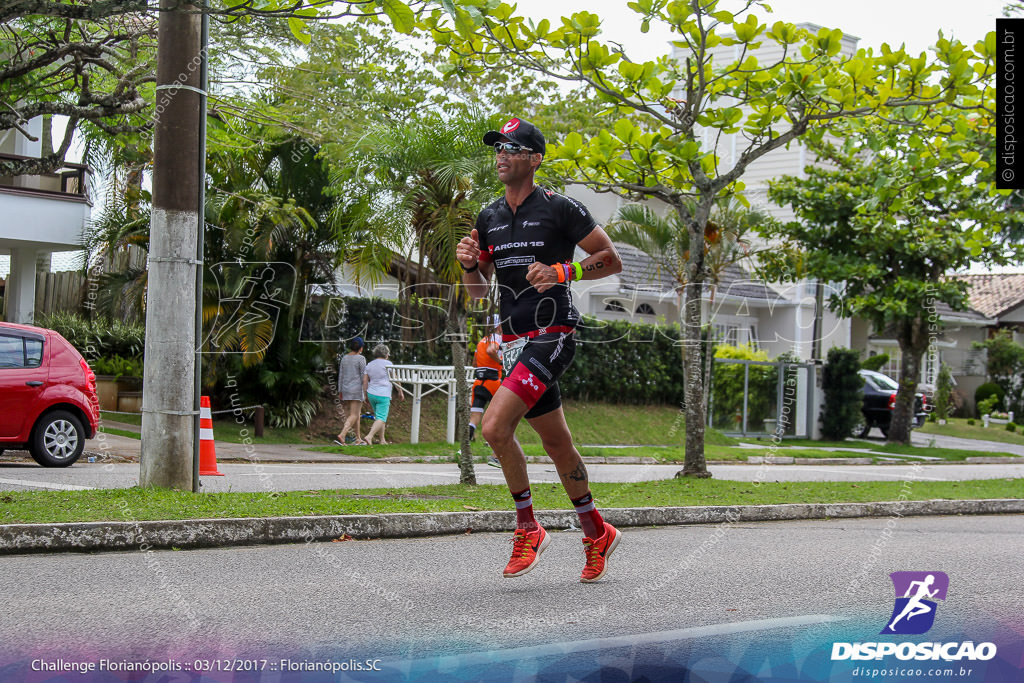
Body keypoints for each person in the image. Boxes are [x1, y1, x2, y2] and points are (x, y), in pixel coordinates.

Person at [456, 116, 624, 583]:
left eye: (511, 148)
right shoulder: (488, 217)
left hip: (554, 333)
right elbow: (476, 291)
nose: (501, 155)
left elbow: (610, 259)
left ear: (535, 159)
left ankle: (528, 527)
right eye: (497, 148)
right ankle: (596, 531)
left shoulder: (560, 208)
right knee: (556, 442)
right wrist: (469, 265)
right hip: (512, 340)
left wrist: (561, 272)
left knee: (493, 426)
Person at [470, 316, 503, 468]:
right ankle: (496, 456)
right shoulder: (497, 338)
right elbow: (491, 350)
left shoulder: (482, 340)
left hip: (478, 382)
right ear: (498, 326)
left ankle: (464, 450)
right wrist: (501, 361)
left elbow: (474, 362)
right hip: (493, 382)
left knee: (474, 417)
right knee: (503, 417)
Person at [362, 343, 404, 445]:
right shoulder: (388, 364)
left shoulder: (369, 365)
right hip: (383, 394)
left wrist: (365, 395)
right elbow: (395, 379)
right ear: (386, 354)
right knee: (381, 418)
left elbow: (365, 381)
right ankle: (369, 436)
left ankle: (382, 440)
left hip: (371, 393)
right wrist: (400, 391)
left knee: (379, 417)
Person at [335, 337, 367, 445]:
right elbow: (364, 376)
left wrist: (340, 390)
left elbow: (341, 375)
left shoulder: (344, 358)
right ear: (361, 348)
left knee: (356, 414)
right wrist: (366, 391)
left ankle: (358, 438)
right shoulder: (361, 359)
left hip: (346, 389)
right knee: (354, 414)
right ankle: (342, 434)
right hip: (356, 390)